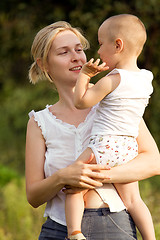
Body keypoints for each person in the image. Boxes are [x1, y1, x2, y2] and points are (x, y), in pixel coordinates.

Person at [25, 20, 160, 240]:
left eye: (79, 49)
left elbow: (154, 163)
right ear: (44, 65)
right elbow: (33, 196)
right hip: (58, 231)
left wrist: (93, 175)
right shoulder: (39, 122)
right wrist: (63, 177)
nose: (77, 57)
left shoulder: (115, 104)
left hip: (115, 226)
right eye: (64, 52)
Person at [65, 14, 156, 240]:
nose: (98, 51)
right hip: (128, 148)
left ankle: (74, 232)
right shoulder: (146, 78)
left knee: (75, 184)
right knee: (134, 200)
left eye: (101, 43)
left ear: (118, 45)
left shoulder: (112, 80)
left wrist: (85, 76)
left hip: (104, 145)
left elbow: (80, 101)